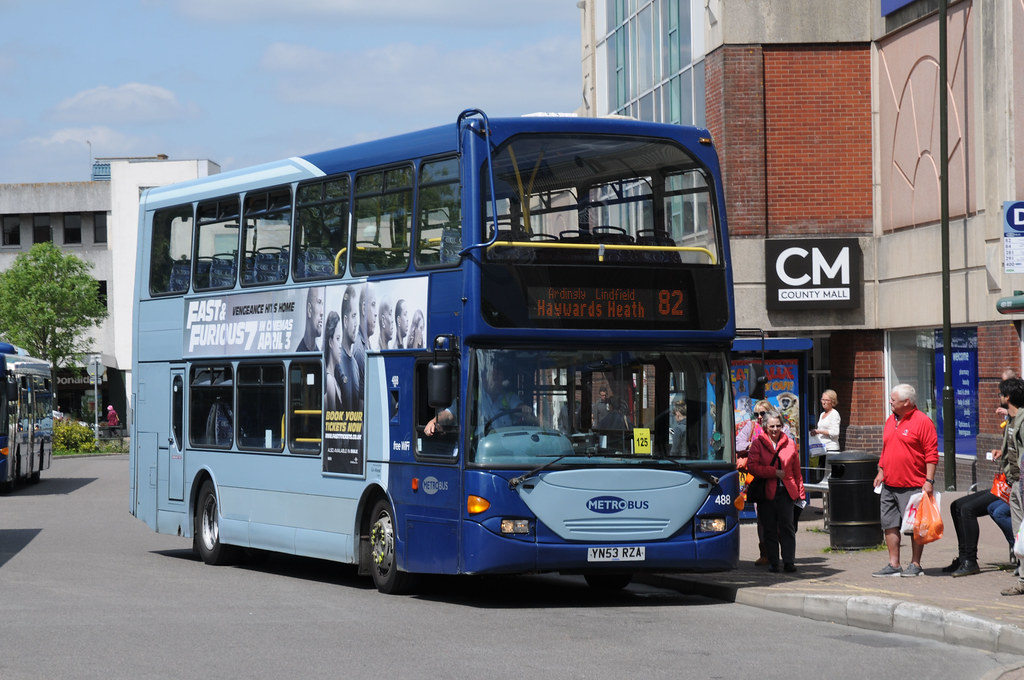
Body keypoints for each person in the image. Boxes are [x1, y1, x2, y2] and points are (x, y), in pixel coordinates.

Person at [945, 378, 1024, 578]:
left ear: (1007, 397)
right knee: (956, 505)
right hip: (1007, 482)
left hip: (1014, 484)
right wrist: (1002, 452)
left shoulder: (1020, 421)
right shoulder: (1012, 421)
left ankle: (971, 561)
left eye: (1000, 394)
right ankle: (964, 558)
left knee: (969, 509)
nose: (998, 397)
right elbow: (1014, 449)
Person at [871, 383, 938, 578]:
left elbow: (931, 454)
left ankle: (915, 564)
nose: (890, 402)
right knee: (889, 524)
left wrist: (929, 481)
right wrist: (880, 471)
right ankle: (894, 564)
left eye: (893, 399)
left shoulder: (923, 422)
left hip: (913, 484)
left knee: (915, 527)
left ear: (907, 402)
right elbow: (886, 450)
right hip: (889, 484)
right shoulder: (890, 420)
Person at [746, 411, 806, 573]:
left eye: (778, 426)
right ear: (765, 426)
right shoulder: (758, 443)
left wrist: (801, 494)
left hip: (786, 492)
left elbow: (796, 471)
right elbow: (752, 466)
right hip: (767, 492)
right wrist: (773, 472)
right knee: (769, 528)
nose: (775, 429)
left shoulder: (790, 444)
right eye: (772, 426)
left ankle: (788, 561)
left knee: (787, 527)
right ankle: (773, 562)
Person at [337, 285, 364, 411]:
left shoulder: (354, 363)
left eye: (357, 316)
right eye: (354, 316)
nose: (356, 322)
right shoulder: (336, 361)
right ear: (345, 320)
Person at [323, 311, 343, 411]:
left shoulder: (333, 379)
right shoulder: (330, 381)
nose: (340, 346)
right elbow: (333, 423)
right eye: (338, 339)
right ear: (330, 342)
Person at [295, 286, 324, 352]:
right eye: (319, 302)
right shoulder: (298, 355)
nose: (322, 313)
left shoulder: (319, 354)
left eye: (322, 304)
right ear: (309, 309)